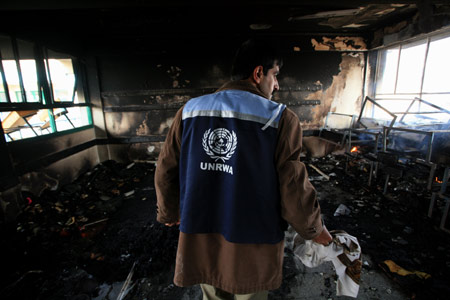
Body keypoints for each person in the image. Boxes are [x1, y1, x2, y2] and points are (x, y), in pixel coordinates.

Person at [155, 38, 332, 300]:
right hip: (253, 238)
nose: (277, 85)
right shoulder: (280, 118)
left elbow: (166, 167)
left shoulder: (189, 111)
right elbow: (292, 186)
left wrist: (168, 211)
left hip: (201, 233)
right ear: (258, 73)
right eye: (275, 75)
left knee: (212, 291)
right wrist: (314, 229)